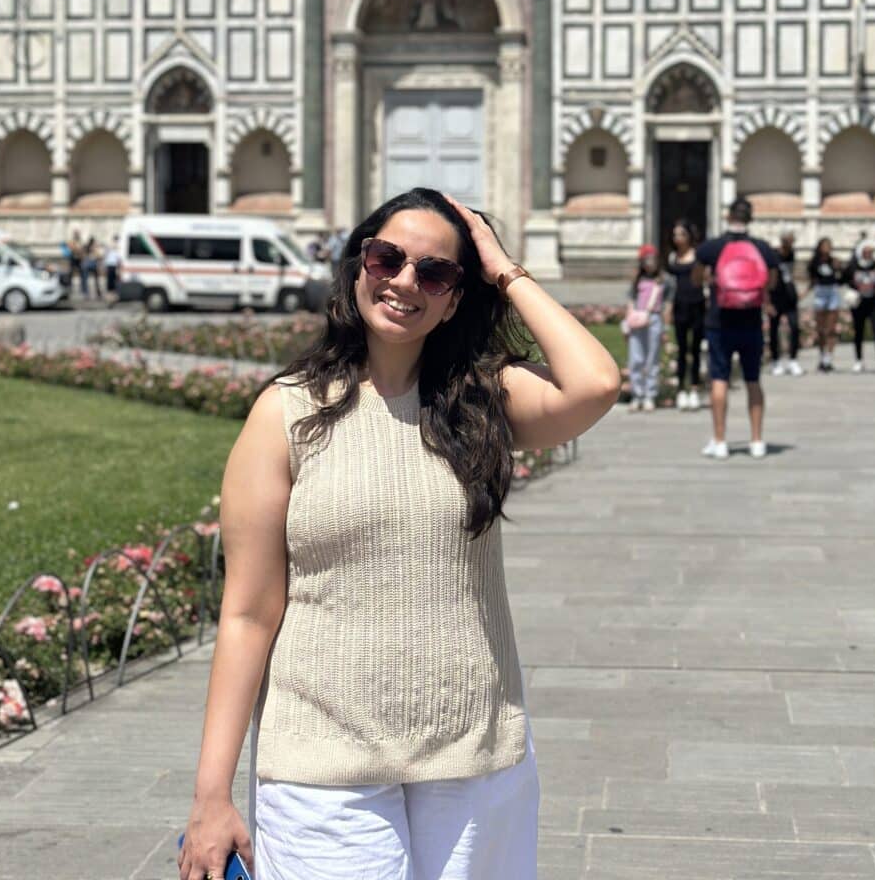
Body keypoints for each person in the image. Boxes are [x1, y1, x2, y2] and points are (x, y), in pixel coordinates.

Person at [177, 187, 620, 880]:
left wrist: (503, 267)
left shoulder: (483, 402)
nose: (405, 281)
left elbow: (595, 383)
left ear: (454, 298)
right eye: (388, 258)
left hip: (472, 751)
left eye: (435, 272)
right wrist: (211, 795)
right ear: (359, 265)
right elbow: (247, 613)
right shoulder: (287, 414)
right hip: (322, 759)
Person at [693, 196, 779, 460]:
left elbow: (696, 279)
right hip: (751, 321)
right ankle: (756, 441)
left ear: (729, 216)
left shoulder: (712, 247)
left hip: (720, 322)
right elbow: (772, 283)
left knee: (719, 379)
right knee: (753, 380)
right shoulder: (762, 248)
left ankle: (720, 441)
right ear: (750, 219)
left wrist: (710, 279)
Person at [664, 219, 704, 411]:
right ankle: (681, 389)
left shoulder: (697, 256)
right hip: (680, 306)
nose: (678, 238)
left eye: (681, 234)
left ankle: (695, 389)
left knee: (695, 349)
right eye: (675, 235)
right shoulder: (672, 258)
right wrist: (668, 309)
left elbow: (704, 279)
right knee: (681, 349)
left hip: (697, 304)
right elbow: (669, 286)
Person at [625, 244, 665, 413]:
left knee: (652, 358)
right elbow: (631, 301)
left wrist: (666, 327)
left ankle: (650, 394)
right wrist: (628, 321)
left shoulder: (664, 280)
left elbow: (667, 305)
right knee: (636, 358)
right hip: (637, 318)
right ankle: (637, 394)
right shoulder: (637, 281)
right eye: (646, 260)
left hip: (654, 318)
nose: (649, 263)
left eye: (652, 259)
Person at [844, 237, 875, 374]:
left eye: (871, 252)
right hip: (859, 303)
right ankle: (859, 360)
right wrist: (852, 291)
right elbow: (846, 280)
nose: (869, 254)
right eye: (866, 252)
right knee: (859, 331)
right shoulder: (854, 266)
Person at [767, 231, 803, 377]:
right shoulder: (773, 255)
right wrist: (768, 300)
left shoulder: (792, 254)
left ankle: (793, 360)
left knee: (794, 327)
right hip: (776, 296)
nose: (790, 244)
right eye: (788, 241)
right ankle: (776, 361)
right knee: (774, 329)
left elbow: (791, 274)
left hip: (790, 296)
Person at [806, 237, 841, 372]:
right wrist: (804, 293)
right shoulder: (814, 263)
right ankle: (822, 355)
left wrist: (839, 269)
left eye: (829, 245)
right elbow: (812, 280)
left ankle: (829, 358)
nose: (827, 248)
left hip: (832, 291)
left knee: (831, 328)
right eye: (825, 245)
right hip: (820, 292)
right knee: (821, 329)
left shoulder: (834, 261)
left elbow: (841, 278)